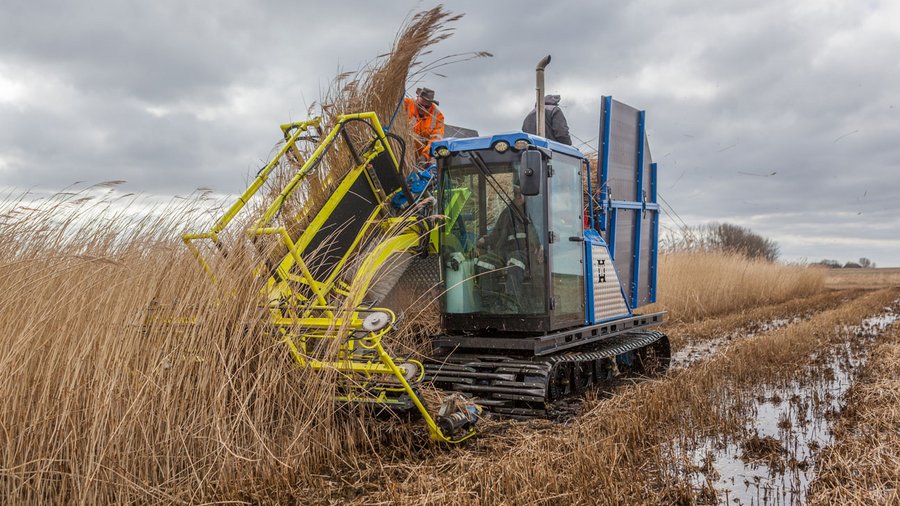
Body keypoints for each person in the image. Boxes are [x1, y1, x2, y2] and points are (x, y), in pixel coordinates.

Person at [477, 187, 542, 312]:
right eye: (515, 193)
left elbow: (541, 233)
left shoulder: (534, 211)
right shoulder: (507, 213)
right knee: (485, 261)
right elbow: (496, 235)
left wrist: (542, 245)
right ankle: (489, 303)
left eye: (520, 193)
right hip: (505, 254)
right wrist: (483, 241)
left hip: (528, 255)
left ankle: (511, 303)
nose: (517, 196)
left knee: (514, 260)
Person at [404, 87, 445, 158]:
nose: (423, 108)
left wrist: (425, 156)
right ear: (417, 99)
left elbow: (436, 140)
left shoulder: (438, 116)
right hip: (402, 152)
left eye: (426, 107)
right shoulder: (406, 104)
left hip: (422, 158)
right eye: (420, 105)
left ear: (431, 104)